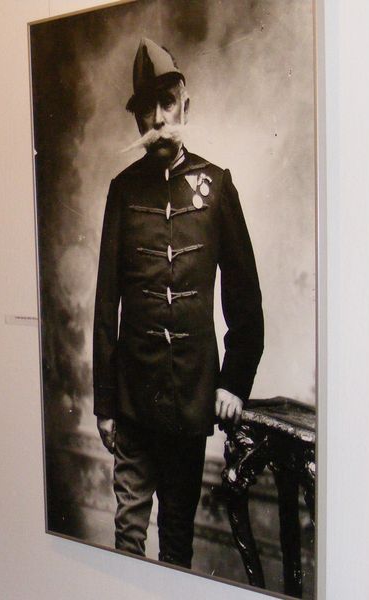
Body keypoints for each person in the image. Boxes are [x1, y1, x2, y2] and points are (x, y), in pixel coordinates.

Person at [93, 38, 264, 568]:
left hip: (191, 401)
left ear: (184, 105)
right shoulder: (123, 191)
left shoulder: (217, 186)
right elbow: (104, 305)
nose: (157, 121)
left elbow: (245, 296)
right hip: (132, 401)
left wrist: (233, 381)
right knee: (127, 536)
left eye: (167, 104)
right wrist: (105, 404)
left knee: (176, 544)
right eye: (146, 110)